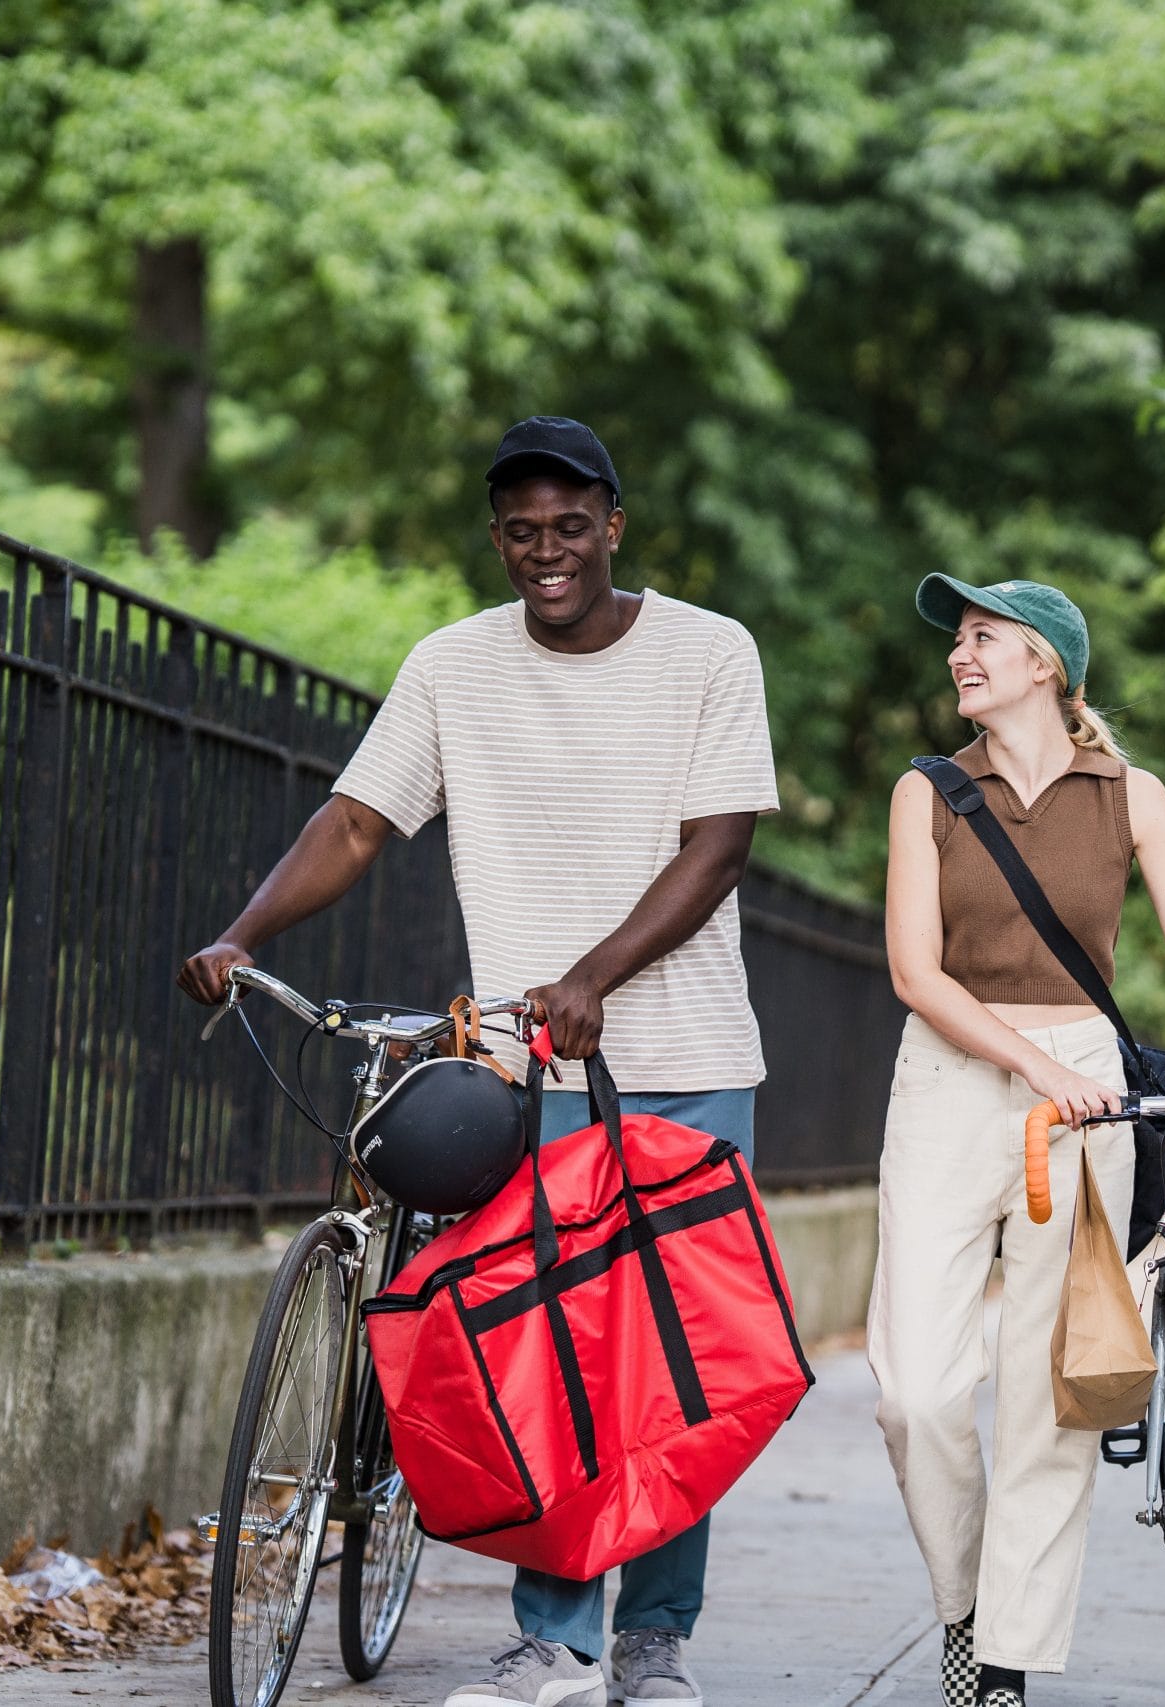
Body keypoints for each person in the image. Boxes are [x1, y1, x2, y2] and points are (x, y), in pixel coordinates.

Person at [176, 416, 777, 1707]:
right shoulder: (454, 666)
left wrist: (594, 977)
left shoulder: (710, 652)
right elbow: (354, 821)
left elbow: (719, 845)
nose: (546, 551)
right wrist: (240, 932)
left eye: (570, 526)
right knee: (552, 1357)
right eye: (521, 530)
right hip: (528, 1072)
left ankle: (655, 1641)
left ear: (614, 523)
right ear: (497, 537)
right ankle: (552, 1639)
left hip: (687, 1058)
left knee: (669, 1367)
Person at [872, 575, 1165, 1707]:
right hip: (952, 1085)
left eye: (984, 640)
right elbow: (915, 974)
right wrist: (1036, 1068)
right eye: (958, 642)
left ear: (1045, 666)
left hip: (1085, 1103)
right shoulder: (924, 794)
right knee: (916, 1393)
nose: (959, 658)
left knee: (1054, 1389)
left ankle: (1006, 1661)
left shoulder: (1133, 797)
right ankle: (966, 1604)